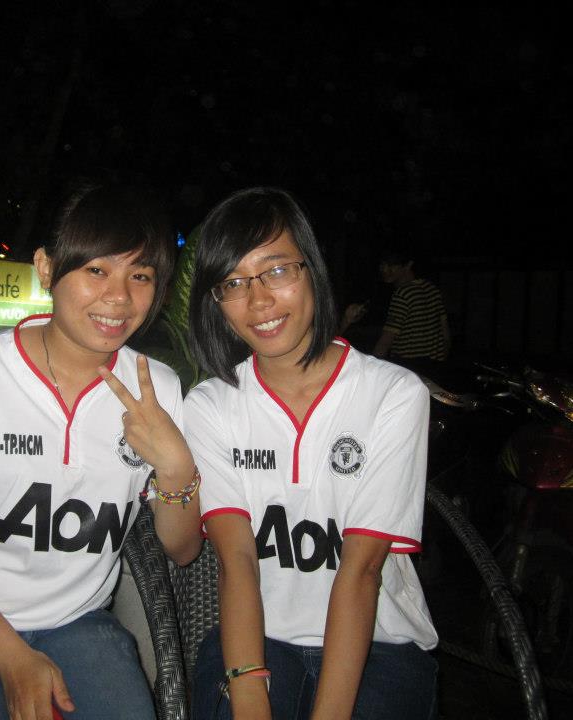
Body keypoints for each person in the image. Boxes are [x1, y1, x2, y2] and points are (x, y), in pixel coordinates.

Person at [0, 182, 203, 720]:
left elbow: (183, 549)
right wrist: (13, 658)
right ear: (46, 269)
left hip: (75, 622)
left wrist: (176, 466)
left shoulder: (157, 388)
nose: (119, 297)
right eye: (96, 270)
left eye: (140, 276)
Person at [184, 187, 438, 720]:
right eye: (233, 283)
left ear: (312, 271)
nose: (258, 301)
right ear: (216, 301)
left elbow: (362, 570)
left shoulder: (393, 393)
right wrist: (249, 694)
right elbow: (236, 559)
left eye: (276, 270)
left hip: (379, 642)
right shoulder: (211, 405)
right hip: (258, 636)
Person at [340, 248, 450, 376]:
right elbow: (445, 333)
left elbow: (386, 341)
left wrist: (371, 371)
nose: (385, 270)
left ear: (408, 265)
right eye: (382, 265)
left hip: (409, 366)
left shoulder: (402, 294)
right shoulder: (432, 289)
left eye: (391, 265)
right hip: (434, 365)